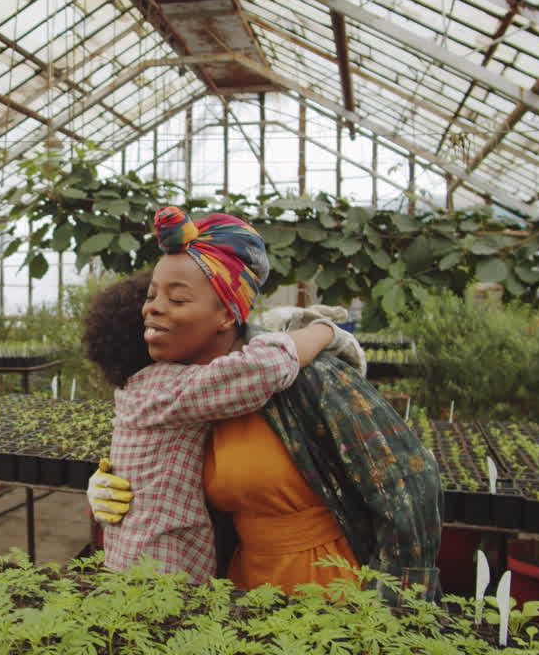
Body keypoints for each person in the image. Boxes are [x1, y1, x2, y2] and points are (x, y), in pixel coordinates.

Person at [85, 206, 441, 597]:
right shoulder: (183, 391)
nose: (152, 308)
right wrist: (124, 484)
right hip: (238, 592)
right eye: (152, 295)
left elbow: (409, 480)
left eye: (179, 298)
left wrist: (399, 601)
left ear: (225, 315)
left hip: (329, 589)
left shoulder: (308, 376)